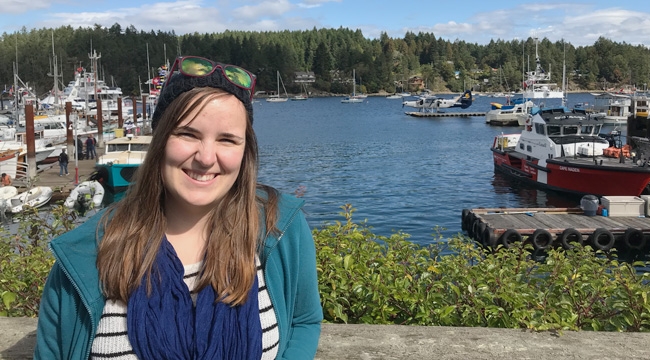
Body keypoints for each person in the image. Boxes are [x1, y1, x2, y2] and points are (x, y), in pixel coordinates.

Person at [35, 56, 323, 359]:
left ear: (245, 152)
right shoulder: (84, 257)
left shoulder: (280, 228)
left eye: (227, 139)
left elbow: (303, 320)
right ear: (160, 141)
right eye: (188, 134)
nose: (206, 157)